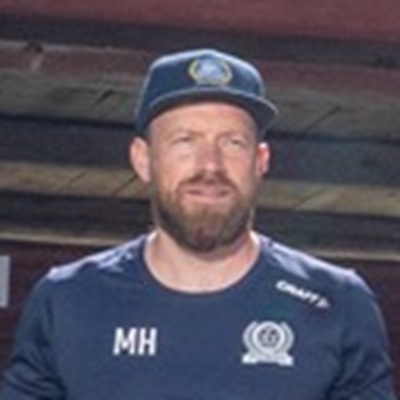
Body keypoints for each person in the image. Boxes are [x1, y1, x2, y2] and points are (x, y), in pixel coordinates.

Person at [0, 48, 397, 400]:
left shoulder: (338, 303)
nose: (210, 165)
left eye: (232, 142)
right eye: (184, 141)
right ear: (143, 159)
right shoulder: (69, 299)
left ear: (260, 161)